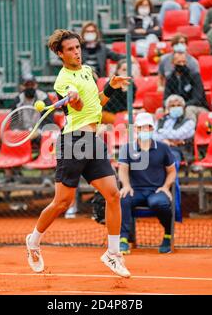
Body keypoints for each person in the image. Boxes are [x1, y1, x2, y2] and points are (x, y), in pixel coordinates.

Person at [25, 29, 132, 278]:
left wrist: (111, 87)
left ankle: (113, 254)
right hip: (73, 142)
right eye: (71, 49)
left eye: (78, 47)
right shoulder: (62, 81)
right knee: (62, 202)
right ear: (60, 54)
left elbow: (96, 104)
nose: (77, 52)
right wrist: (72, 98)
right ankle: (33, 240)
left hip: (93, 141)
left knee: (113, 194)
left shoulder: (86, 71)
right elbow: (79, 106)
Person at [118, 112, 177, 254]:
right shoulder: (127, 148)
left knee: (159, 203)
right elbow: (123, 170)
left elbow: (172, 171)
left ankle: (168, 235)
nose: (146, 130)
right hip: (135, 191)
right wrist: (126, 185)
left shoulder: (163, 148)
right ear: (136, 129)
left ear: (153, 128)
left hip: (157, 191)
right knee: (122, 198)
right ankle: (123, 239)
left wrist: (166, 187)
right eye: (142, 127)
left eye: (149, 127)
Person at [163, 52, 209, 122]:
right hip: (176, 106)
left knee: (189, 109)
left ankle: (190, 132)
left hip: (197, 107)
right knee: (160, 111)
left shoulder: (194, 76)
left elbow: (197, 99)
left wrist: (182, 105)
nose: (182, 64)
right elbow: (166, 98)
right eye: (179, 62)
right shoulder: (170, 78)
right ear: (173, 63)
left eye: (184, 62)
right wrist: (169, 106)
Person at [154, 95, 196, 163]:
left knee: (170, 157)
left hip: (178, 149)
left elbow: (178, 135)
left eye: (179, 105)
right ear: (168, 108)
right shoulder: (161, 121)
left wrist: (160, 132)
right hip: (159, 147)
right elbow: (152, 135)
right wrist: (164, 141)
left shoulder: (189, 122)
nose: (176, 107)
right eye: (172, 106)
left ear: (183, 107)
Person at [102, 59, 137, 124]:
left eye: (128, 70)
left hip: (123, 113)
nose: (126, 72)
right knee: (123, 122)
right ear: (118, 71)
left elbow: (130, 104)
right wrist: (124, 92)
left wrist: (126, 91)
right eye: (124, 70)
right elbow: (110, 107)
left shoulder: (132, 85)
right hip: (109, 113)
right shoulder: (111, 84)